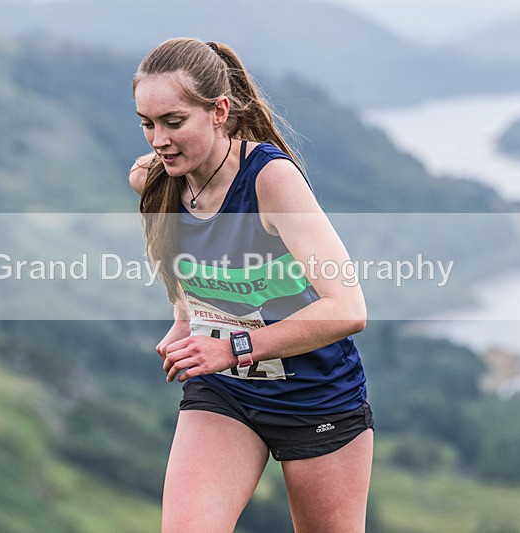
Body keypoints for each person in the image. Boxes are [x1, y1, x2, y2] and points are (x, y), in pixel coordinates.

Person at [128, 37, 372, 533]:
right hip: (224, 392)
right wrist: (184, 318)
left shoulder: (271, 180)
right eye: (147, 124)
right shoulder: (156, 179)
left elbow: (347, 308)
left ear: (219, 111)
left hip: (314, 395)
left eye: (174, 123)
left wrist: (234, 346)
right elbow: (186, 260)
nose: (157, 140)